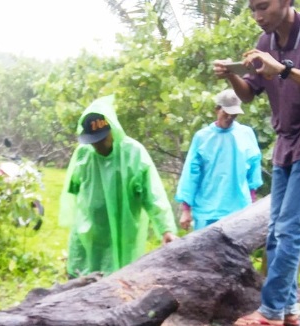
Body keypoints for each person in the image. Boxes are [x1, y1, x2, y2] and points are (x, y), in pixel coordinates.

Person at [214, 0, 300, 326]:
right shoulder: (265, 42)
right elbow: (249, 94)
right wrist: (232, 75)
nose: (258, 16)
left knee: (289, 228)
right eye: (252, 10)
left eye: (264, 7)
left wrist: (283, 69)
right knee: (275, 230)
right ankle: (287, 307)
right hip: (285, 145)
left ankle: (271, 311)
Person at [59, 95, 178, 277]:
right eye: (92, 140)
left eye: (101, 138)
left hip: (122, 232)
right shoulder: (84, 154)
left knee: (117, 282)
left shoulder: (134, 154)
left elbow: (154, 196)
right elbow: (73, 188)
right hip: (88, 233)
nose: (97, 144)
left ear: (112, 130)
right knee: (81, 280)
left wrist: (166, 229)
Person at [175, 89, 263, 231]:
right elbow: (191, 173)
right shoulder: (202, 137)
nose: (229, 118)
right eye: (226, 113)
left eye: (233, 115)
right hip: (207, 210)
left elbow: (254, 169)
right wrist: (186, 209)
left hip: (239, 208)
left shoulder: (246, 134)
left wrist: (253, 201)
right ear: (217, 109)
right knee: (203, 252)